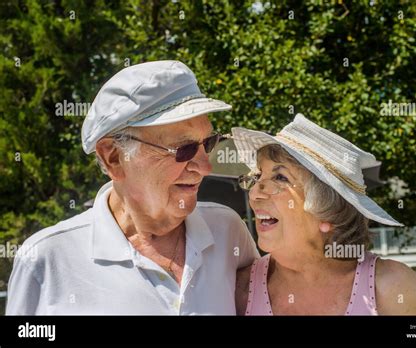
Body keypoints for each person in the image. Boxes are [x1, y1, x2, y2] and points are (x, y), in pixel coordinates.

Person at [6, 60, 259, 315]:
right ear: (113, 157)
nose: (205, 167)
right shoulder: (45, 259)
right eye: (184, 149)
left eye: (208, 143)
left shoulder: (228, 230)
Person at [233, 114, 416, 315]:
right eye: (258, 177)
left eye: (280, 178)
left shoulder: (389, 284)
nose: (254, 193)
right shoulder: (239, 288)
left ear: (328, 211)